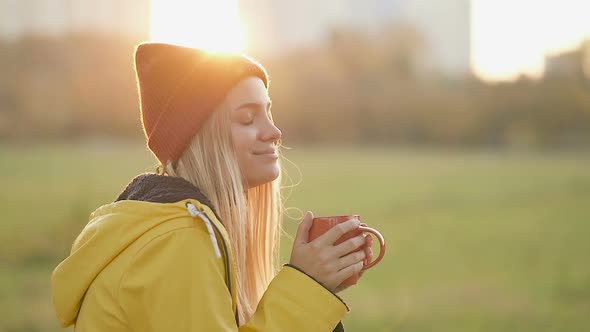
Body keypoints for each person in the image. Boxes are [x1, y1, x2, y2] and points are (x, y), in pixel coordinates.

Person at [51, 42, 372, 331]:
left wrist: (317, 291)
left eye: (268, 112)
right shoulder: (177, 242)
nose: (275, 131)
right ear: (203, 139)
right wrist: (307, 287)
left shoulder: (173, 230)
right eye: (248, 119)